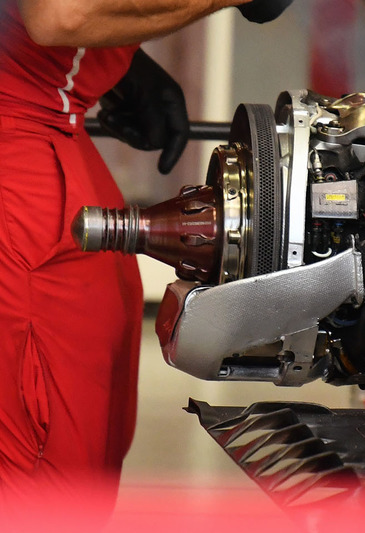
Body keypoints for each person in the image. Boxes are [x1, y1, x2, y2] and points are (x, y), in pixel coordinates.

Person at [0, 0, 292, 508]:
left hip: (49, 111)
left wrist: (115, 61)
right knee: (47, 474)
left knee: (93, 395)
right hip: (19, 125)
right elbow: (60, 12)